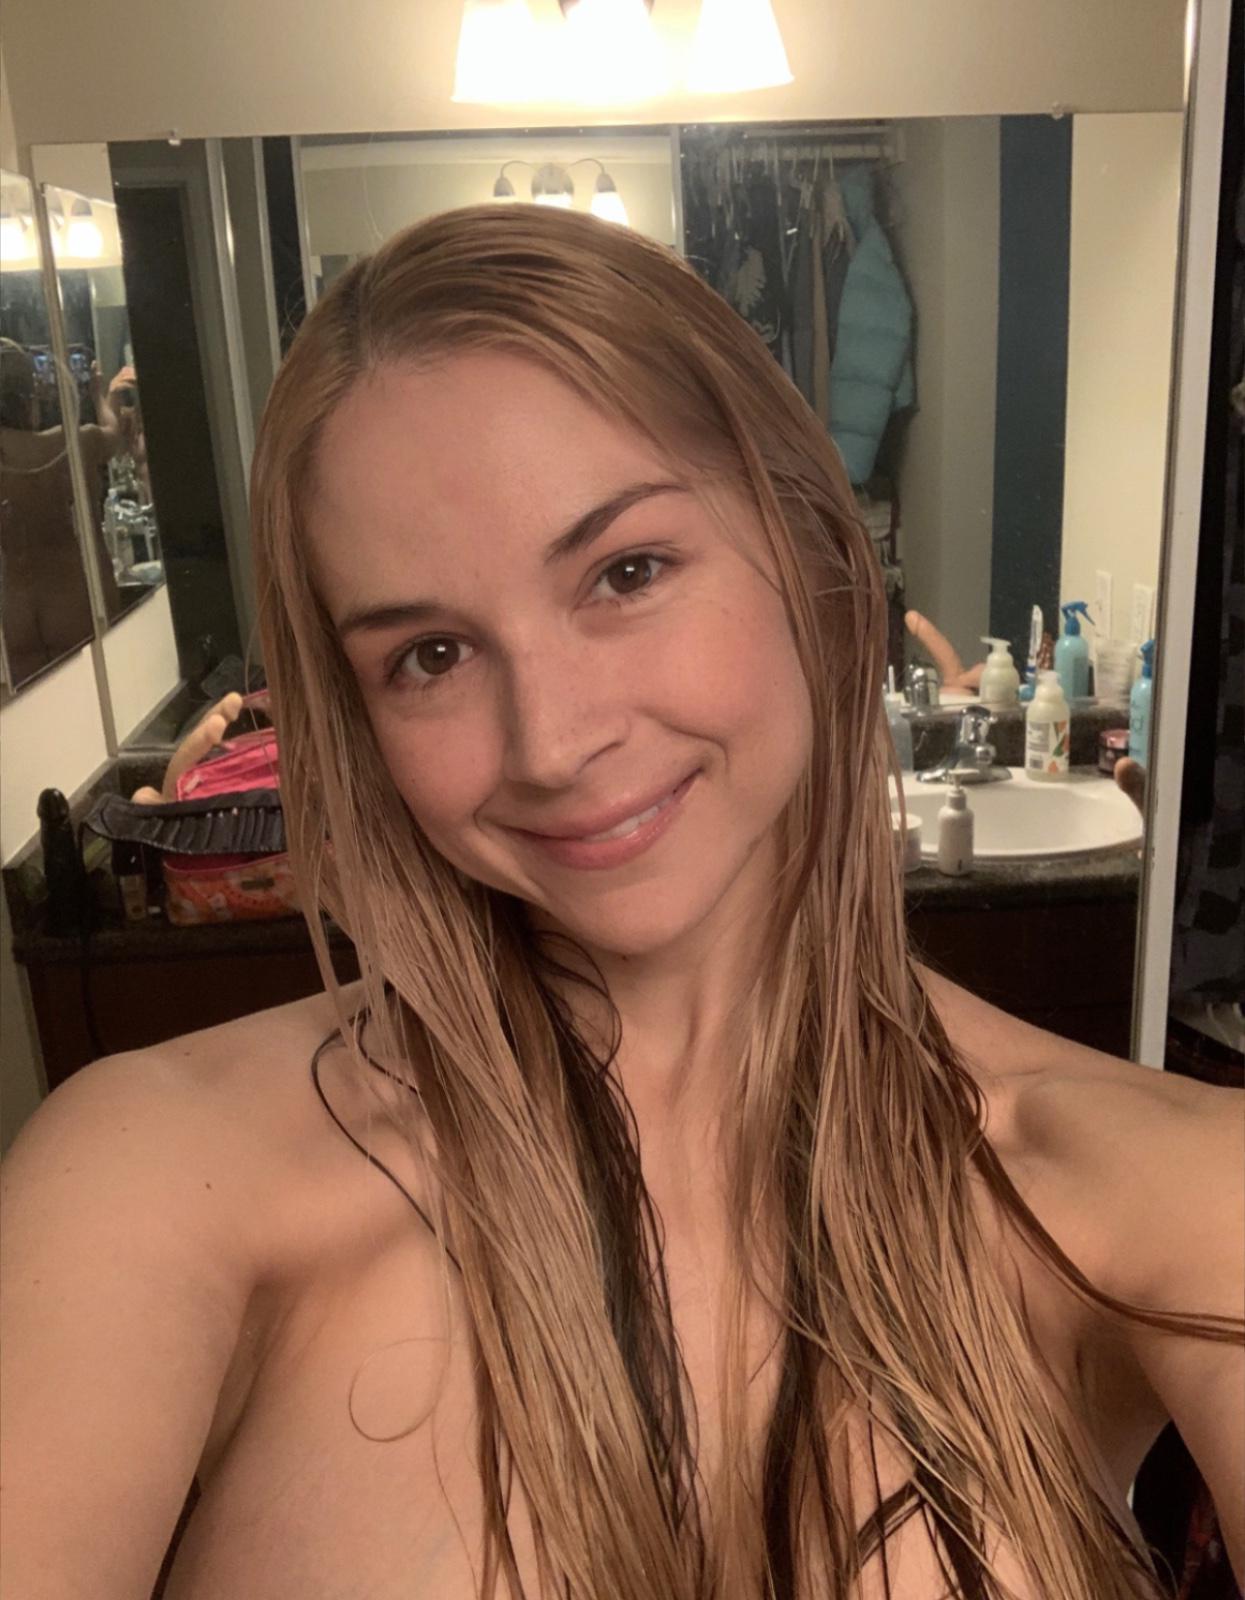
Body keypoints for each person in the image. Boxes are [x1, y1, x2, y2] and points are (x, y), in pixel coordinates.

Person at [2, 205, 1242, 1600]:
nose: (551, 742)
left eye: (626, 573)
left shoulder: (1155, 1192)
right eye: (430, 654)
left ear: (810, 555)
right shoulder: (155, 1178)